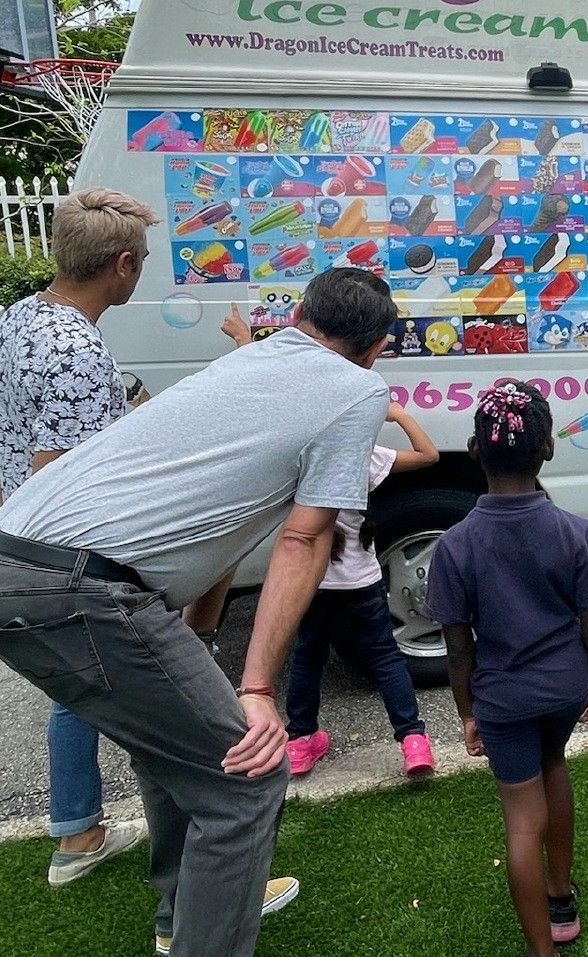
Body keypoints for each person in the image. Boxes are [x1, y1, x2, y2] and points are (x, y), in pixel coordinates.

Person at [0, 267, 396, 955]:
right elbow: (303, 537)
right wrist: (260, 688)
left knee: (173, 746)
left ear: (299, 315)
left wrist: (203, 641)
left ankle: (179, 918)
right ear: (377, 347)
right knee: (247, 775)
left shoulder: (254, 358)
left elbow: (220, 530)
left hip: (19, 554)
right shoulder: (358, 390)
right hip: (82, 586)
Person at [427, 381, 588, 957]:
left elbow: (459, 648)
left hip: (502, 700)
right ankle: (561, 897)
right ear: (548, 451)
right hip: (563, 688)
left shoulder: (455, 545)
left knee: (520, 821)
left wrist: (467, 714)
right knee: (553, 760)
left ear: (475, 449)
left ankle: (543, 949)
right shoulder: (576, 531)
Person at [0, 188, 155, 886]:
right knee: (136, 689)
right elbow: (56, 477)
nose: (142, 268)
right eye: (143, 259)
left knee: (75, 689)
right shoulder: (76, 348)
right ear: (121, 265)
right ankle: (97, 838)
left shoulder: (20, 317)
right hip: (55, 551)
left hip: (14, 534)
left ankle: (78, 830)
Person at [221, 306, 441, 777]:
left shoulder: (296, 455)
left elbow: (266, 396)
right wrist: (398, 414)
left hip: (312, 582)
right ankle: (414, 741)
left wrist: (242, 340)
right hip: (361, 579)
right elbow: (430, 456)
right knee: (385, 657)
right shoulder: (364, 457)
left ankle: (302, 740)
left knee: (307, 658)